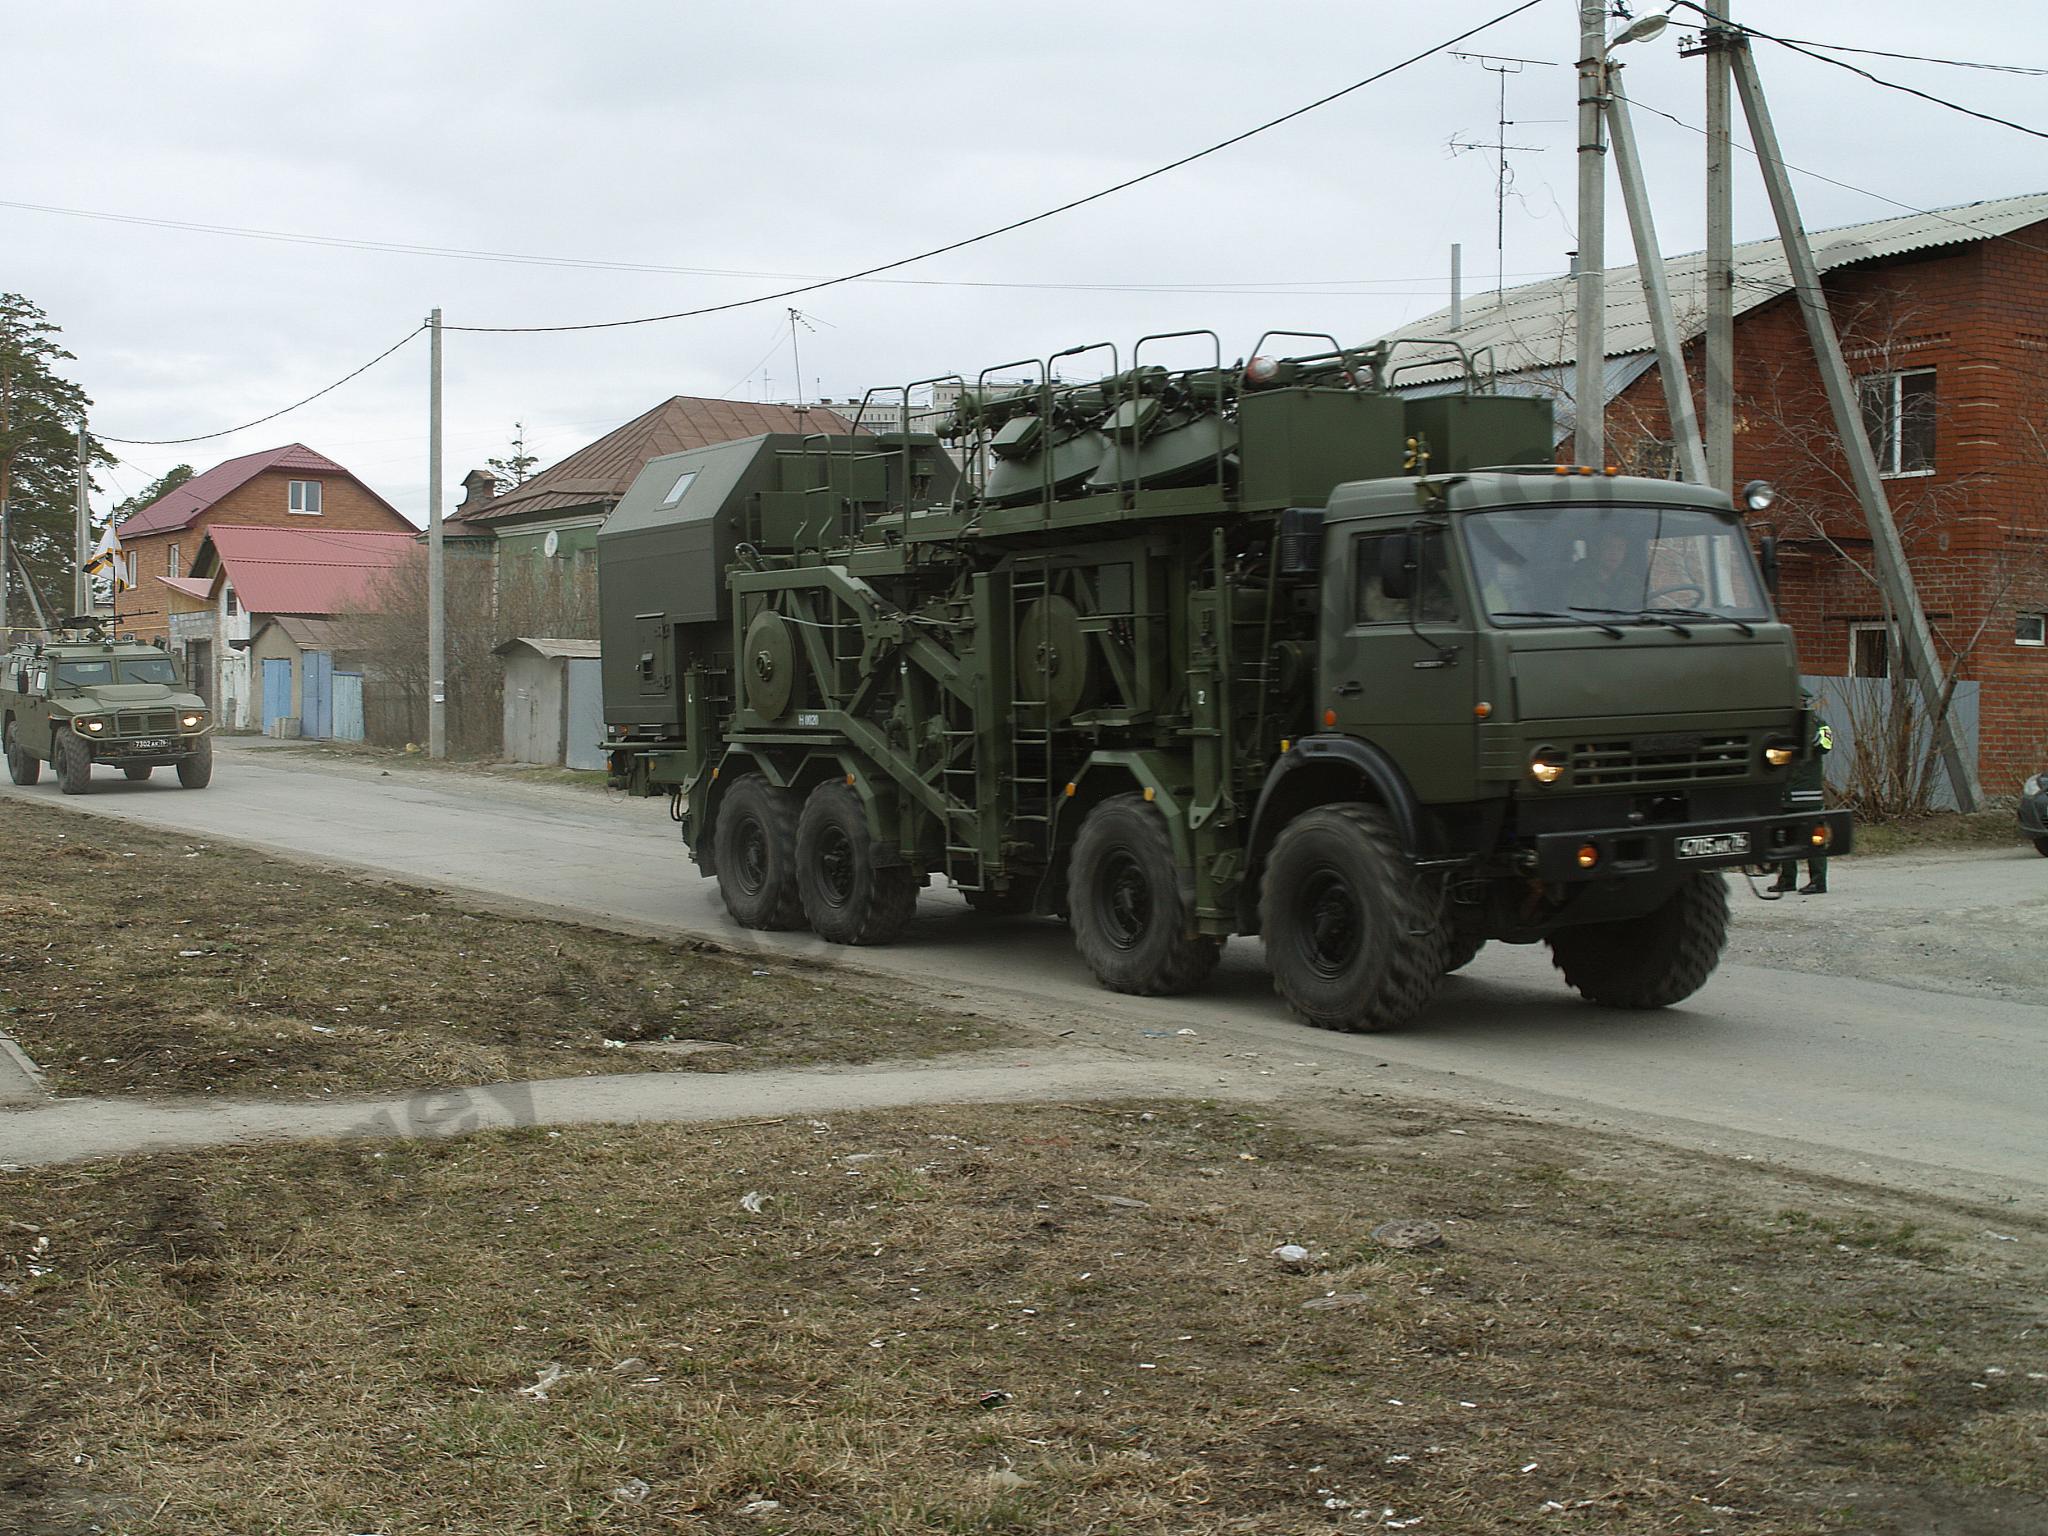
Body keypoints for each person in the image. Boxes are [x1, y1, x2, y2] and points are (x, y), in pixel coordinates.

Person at [1773, 695, 1834, 894]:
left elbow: (1825, 746)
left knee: (1814, 837)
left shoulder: (1817, 724)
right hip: (1784, 792)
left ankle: (1818, 881)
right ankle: (1787, 880)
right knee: (1784, 838)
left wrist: (1806, 730)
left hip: (1807, 792)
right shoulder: (1779, 725)